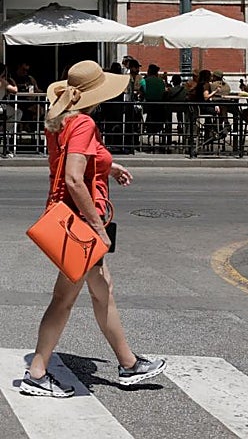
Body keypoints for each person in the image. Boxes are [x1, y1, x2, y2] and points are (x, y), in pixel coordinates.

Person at [20, 60, 165, 398]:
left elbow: (81, 159)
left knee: (102, 291)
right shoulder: (84, 123)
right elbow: (73, 177)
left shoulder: (62, 121)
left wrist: (110, 167)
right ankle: (38, 373)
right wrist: (98, 228)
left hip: (69, 219)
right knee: (64, 300)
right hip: (81, 223)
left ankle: (129, 364)